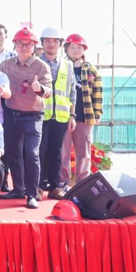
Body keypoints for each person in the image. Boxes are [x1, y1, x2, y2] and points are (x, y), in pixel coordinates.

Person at [0, 27, 53, 209]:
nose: (24, 47)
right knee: (13, 154)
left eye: (28, 44)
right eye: (20, 44)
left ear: (34, 46)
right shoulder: (6, 64)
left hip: (32, 117)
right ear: (14, 45)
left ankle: (32, 194)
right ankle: (18, 189)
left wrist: (40, 89)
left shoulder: (41, 66)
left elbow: (48, 91)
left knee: (31, 153)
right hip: (11, 114)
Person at [60, 33, 103, 190]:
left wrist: (97, 113)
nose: (76, 50)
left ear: (84, 49)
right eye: (72, 47)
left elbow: (98, 93)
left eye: (79, 47)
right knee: (63, 153)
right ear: (66, 49)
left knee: (84, 153)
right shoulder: (61, 66)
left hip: (85, 117)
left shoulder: (91, 70)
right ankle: (62, 183)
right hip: (63, 116)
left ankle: (82, 184)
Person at [37, 28, 77, 199]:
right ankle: (38, 186)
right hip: (40, 115)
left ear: (60, 44)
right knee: (39, 152)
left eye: (55, 41)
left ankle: (55, 187)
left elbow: (72, 92)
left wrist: (72, 116)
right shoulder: (35, 63)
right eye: (47, 41)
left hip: (61, 116)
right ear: (42, 43)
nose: (51, 44)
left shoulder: (67, 65)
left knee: (56, 152)